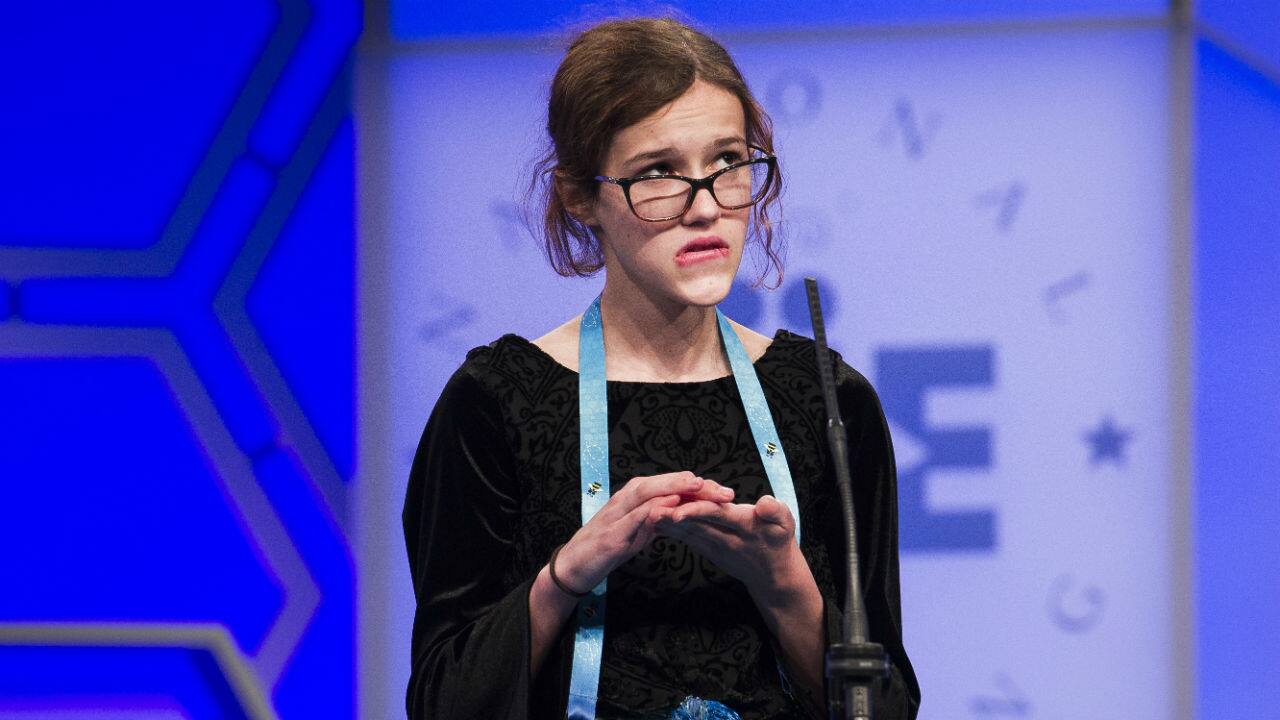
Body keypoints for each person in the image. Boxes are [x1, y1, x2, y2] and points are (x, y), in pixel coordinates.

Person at [403, 16, 920, 720]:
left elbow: (885, 709)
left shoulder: (828, 400)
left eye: (729, 163)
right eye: (658, 173)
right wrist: (566, 575)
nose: (705, 207)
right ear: (580, 196)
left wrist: (786, 586)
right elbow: (444, 703)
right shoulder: (497, 403)